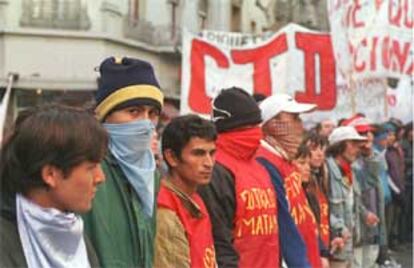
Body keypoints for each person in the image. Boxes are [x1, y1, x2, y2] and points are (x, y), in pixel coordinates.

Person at [0, 104, 108, 267]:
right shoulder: (6, 240)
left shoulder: (71, 230)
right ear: (50, 175)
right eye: (91, 167)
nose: (100, 178)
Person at [82, 56, 164, 267]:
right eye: (133, 111)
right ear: (104, 116)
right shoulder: (86, 169)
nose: (145, 123)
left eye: (152, 113)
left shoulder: (150, 174)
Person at [198, 87, 279, 268]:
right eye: (247, 128)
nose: (255, 133)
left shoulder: (258, 166)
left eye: (256, 126)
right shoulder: (214, 169)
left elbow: (271, 234)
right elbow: (219, 240)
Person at [256, 94, 325, 268]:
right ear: (272, 124)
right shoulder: (265, 163)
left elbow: (303, 211)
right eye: (294, 118)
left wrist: (320, 250)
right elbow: (283, 225)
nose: (300, 125)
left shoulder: (285, 160)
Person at [154, 115, 217, 268]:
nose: (209, 163)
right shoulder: (165, 211)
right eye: (198, 153)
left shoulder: (195, 199)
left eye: (212, 153)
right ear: (172, 157)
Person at [342, 115, 381, 268]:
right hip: (354, 227)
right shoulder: (347, 162)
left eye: (367, 133)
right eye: (361, 134)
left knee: (370, 261)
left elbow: (373, 181)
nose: (365, 139)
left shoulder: (371, 157)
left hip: (372, 221)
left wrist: (369, 155)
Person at [326, 126, 367, 268]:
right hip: (336, 246)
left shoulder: (350, 170)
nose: (358, 149)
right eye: (353, 144)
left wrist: (370, 154)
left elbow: (372, 180)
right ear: (339, 146)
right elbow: (321, 208)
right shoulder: (326, 171)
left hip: (349, 246)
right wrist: (339, 228)